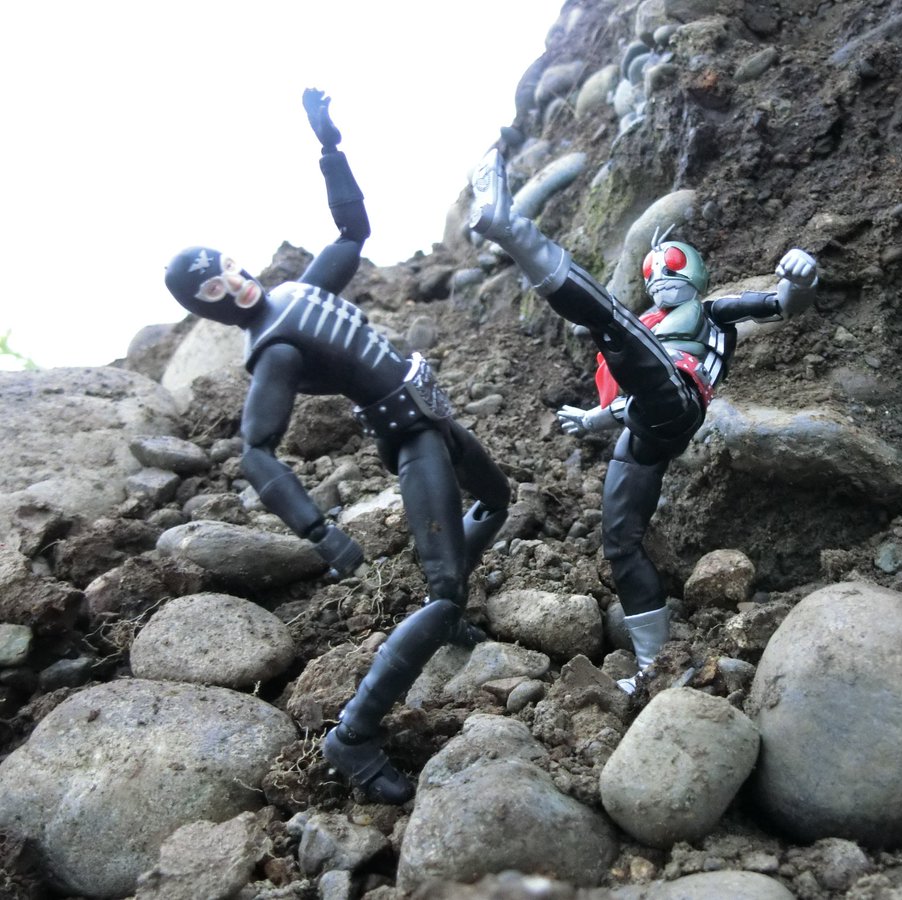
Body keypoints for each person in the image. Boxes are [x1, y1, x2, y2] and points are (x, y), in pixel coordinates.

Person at [164, 90, 511, 804]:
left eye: (230, 264)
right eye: (216, 285)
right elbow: (256, 451)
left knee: (496, 500)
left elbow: (353, 231)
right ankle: (354, 733)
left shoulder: (298, 292)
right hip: (409, 434)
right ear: (207, 303)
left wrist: (330, 149)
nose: (236, 281)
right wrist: (321, 533)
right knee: (443, 587)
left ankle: (447, 618)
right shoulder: (274, 349)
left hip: (433, 413)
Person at [468, 143, 818, 693]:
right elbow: (632, 394)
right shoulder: (652, 323)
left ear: (694, 271)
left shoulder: (710, 313)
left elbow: (781, 305)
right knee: (619, 541)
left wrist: (800, 280)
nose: (658, 278)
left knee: (611, 322)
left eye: (670, 267)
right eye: (652, 271)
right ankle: (653, 664)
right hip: (645, 429)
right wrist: (593, 420)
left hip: (680, 397)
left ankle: (511, 229)